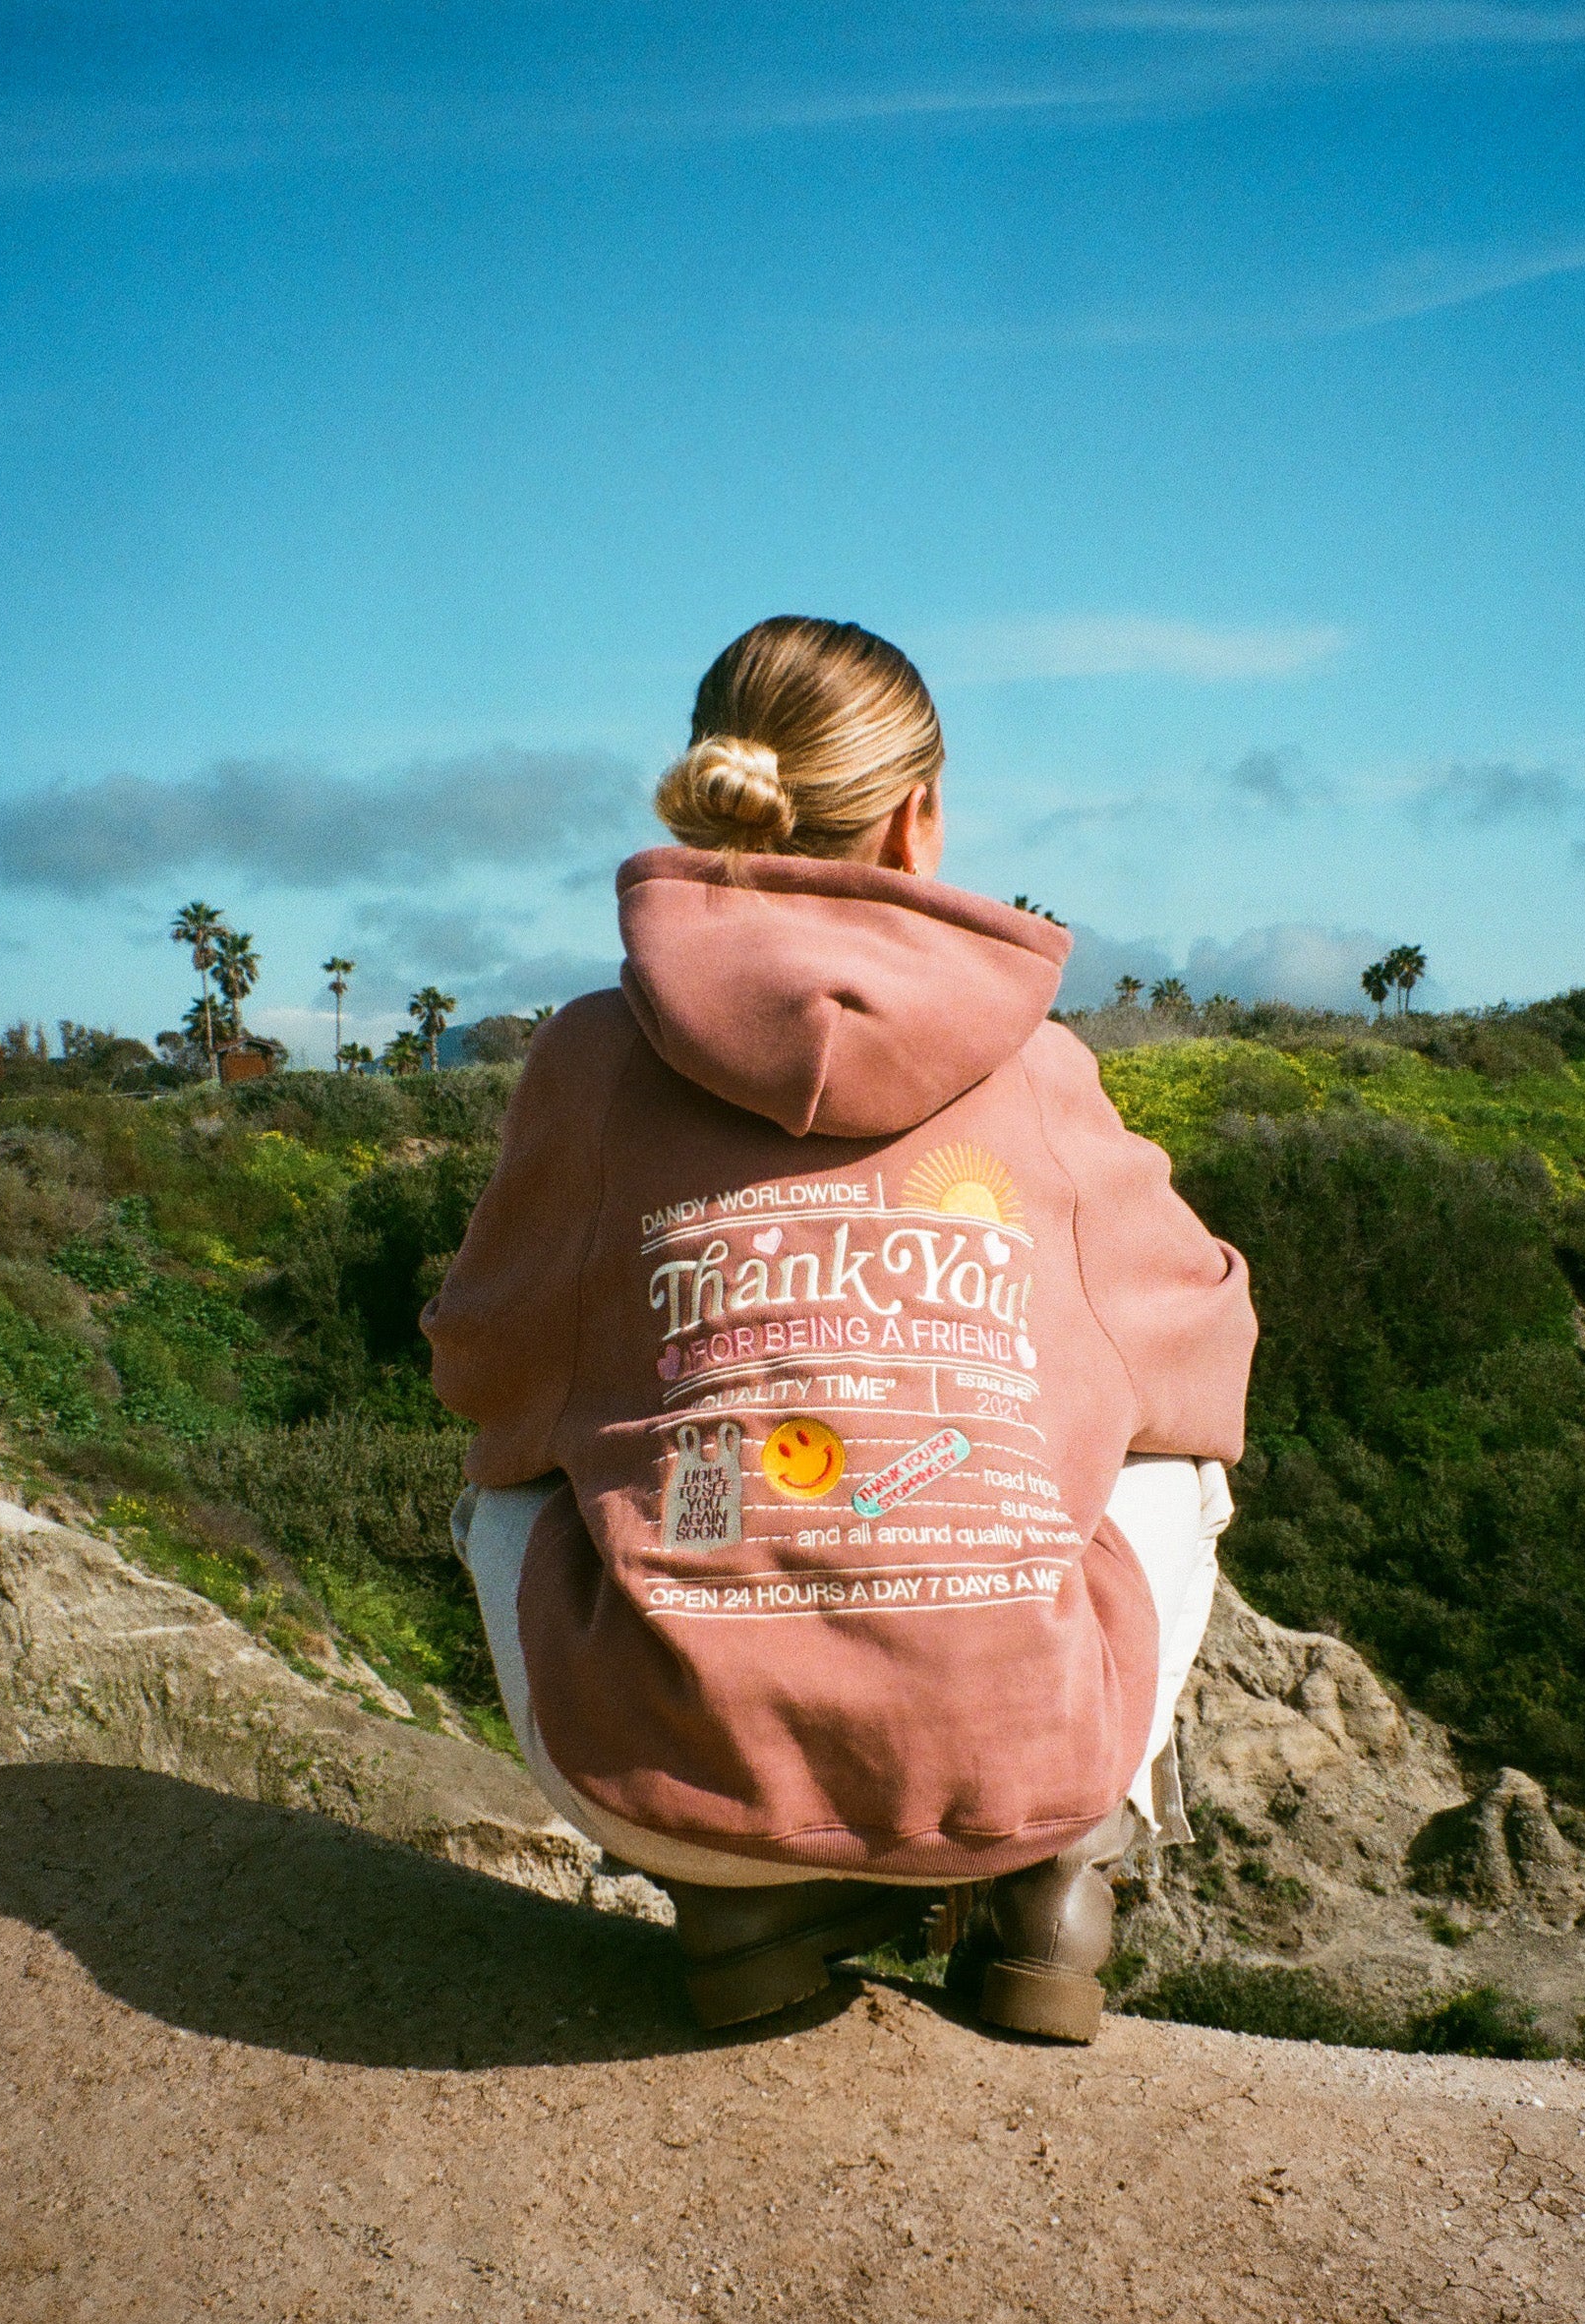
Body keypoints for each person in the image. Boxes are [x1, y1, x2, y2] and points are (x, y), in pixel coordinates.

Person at [423, 615, 1257, 2041]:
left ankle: (752, 1899)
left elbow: (482, 1369)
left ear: (715, 783)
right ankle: (1056, 1867)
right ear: (919, 815)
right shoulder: (1041, 1069)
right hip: (1014, 1760)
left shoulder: (587, 1061)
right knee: (1179, 1466)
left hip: (670, 1783)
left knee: (504, 1486)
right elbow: (1205, 1355)